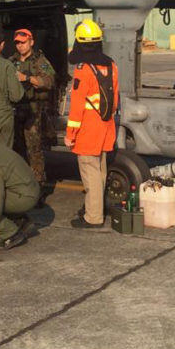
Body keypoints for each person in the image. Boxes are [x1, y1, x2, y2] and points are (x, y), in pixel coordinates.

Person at [65, 19, 119, 229]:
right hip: (106, 125)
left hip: (88, 128)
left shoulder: (83, 69)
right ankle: (95, 208)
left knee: (90, 173)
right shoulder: (111, 65)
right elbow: (115, 99)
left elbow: (77, 106)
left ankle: (93, 217)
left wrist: (70, 133)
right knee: (100, 171)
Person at [9, 28, 56, 189]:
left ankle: (38, 185)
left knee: (34, 150)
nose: (20, 46)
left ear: (31, 42)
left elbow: (49, 82)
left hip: (33, 112)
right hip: (15, 111)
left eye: (23, 42)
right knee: (16, 148)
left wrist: (27, 78)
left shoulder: (40, 61)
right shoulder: (11, 61)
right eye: (17, 43)